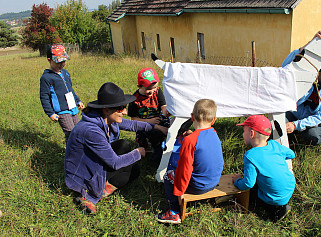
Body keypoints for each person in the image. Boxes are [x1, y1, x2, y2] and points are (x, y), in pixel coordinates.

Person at [64, 82, 168, 214]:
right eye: (120, 108)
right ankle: (88, 194)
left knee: (133, 166)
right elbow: (114, 162)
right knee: (129, 160)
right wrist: (138, 152)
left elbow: (132, 124)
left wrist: (158, 128)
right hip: (82, 173)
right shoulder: (91, 130)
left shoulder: (104, 117)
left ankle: (103, 187)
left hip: (93, 160)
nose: (124, 112)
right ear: (107, 109)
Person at [157, 99, 224, 224]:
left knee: (169, 174)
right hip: (213, 182)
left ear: (192, 117)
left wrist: (179, 192)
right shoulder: (214, 133)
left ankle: (173, 211)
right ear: (213, 119)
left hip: (198, 186)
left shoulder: (190, 141)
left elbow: (184, 170)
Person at [282, 28, 321, 145]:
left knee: (313, 136)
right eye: (314, 66)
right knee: (273, 126)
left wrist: (296, 125)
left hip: (312, 120)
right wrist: (306, 48)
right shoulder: (306, 71)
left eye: (320, 70)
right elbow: (285, 66)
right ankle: (292, 135)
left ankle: (320, 137)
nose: (315, 72)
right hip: (293, 112)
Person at [232, 115, 296, 222]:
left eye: (244, 131)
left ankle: (276, 211)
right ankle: (280, 205)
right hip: (290, 188)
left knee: (251, 193)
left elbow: (248, 184)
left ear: (251, 133)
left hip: (274, 198)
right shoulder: (274, 144)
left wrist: (237, 181)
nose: (243, 135)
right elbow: (291, 154)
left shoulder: (250, 156)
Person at [39, 44, 85, 143]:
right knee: (71, 132)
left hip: (72, 107)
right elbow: (44, 97)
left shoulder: (65, 73)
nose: (61, 64)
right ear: (49, 60)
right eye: (58, 62)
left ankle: (79, 150)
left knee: (78, 130)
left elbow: (70, 89)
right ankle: (71, 153)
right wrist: (50, 113)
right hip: (62, 110)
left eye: (63, 61)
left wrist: (78, 101)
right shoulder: (46, 78)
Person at [128, 68, 170, 163]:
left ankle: (169, 147)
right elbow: (133, 119)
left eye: (154, 88)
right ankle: (153, 155)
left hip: (159, 118)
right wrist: (149, 122)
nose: (152, 91)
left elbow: (163, 106)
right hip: (144, 122)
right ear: (139, 86)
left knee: (171, 127)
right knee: (153, 134)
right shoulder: (134, 100)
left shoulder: (157, 91)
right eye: (148, 89)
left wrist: (166, 112)